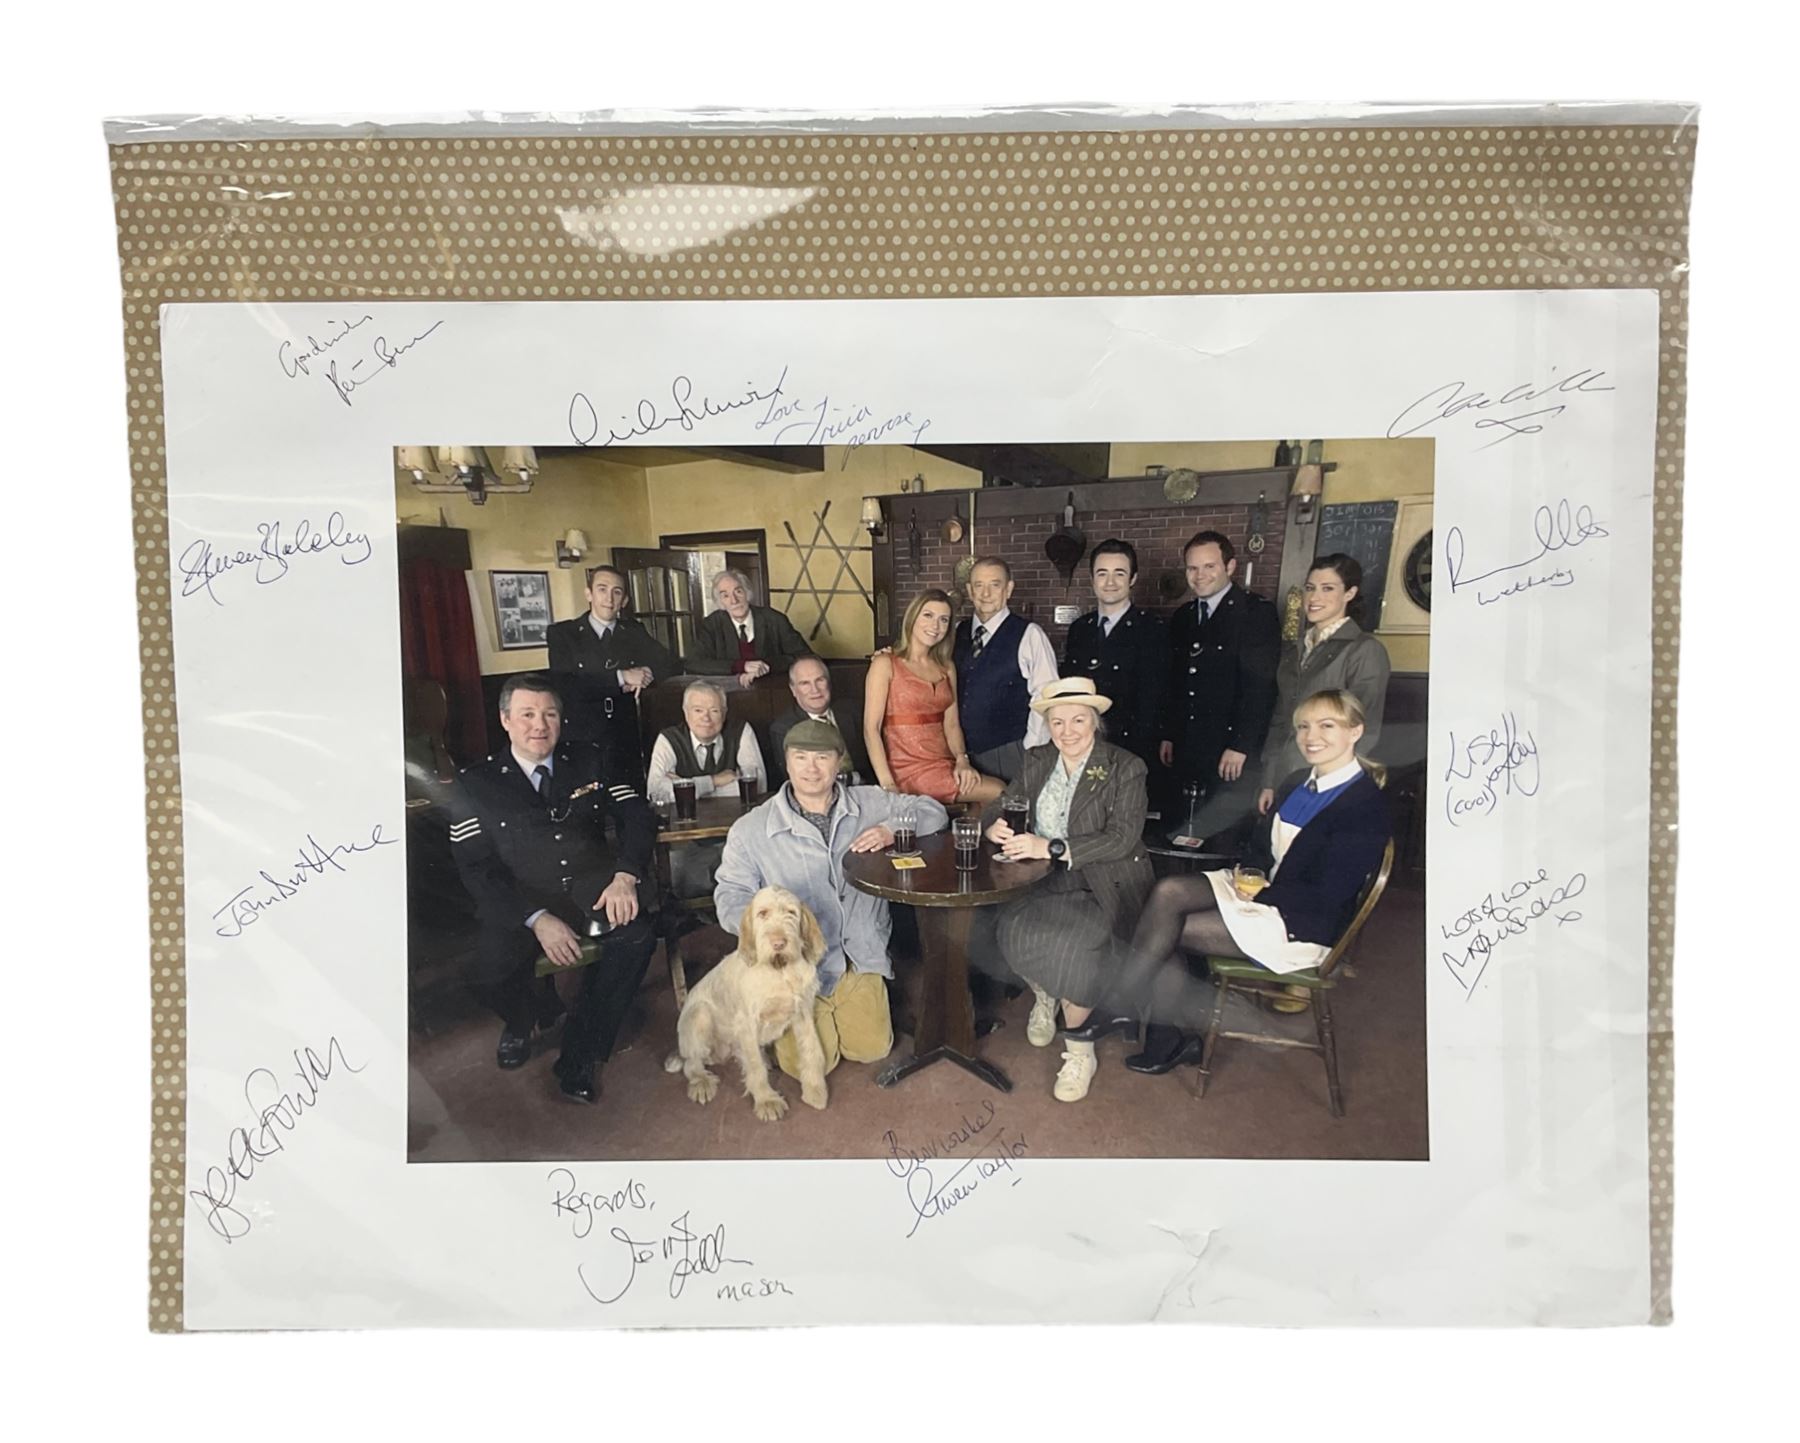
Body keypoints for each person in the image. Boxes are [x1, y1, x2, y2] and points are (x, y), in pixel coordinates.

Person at [1111, 689, 1393, 1074]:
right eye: (1304, 727)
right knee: (1168, 892)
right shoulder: (1297, 781)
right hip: (1266, 896)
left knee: (1169, 928)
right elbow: (1260, 847)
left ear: (1355, 731)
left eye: (1327, 726)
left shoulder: (1364, 805)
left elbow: (1330, 894)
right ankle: (1144, 1021)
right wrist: (1251, 876)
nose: (1312, 737)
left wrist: (1261, 896)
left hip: (1301, 924)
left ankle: (1147, 1026)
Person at [447, 674, 659, 1105]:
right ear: (505, 720)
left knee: (635, 936)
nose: (539, 725)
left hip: (590, 888)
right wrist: (536, 919)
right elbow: (476, 869)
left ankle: (580, 1054)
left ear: (561, 720)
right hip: (520, 900)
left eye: (549, 714)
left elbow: (637, 816)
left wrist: (625, 876)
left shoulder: (590, 760)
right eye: (526, 715)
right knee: (485, 965)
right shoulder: (475, 783)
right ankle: (525, 1017)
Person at [714, 719, 950, 1081]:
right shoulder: (750, 829)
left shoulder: (871, 801)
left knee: (872, 1048)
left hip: (859, 953)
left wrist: (892, 829)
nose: (811, 768)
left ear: (839, 763)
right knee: (811, 1065)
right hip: (792, 968)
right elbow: (729, 894)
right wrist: (764, 931)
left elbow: (933, 811)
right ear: (786, 762)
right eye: (801, 757)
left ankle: (844, 1004)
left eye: (822, 757)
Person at [983, 678, 1154, 1104]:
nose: (1067, 731)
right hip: (1040, 877)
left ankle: (1080, 1049)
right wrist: (994, 824)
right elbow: (1004, 801)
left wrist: (1054, 846)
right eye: (1057, 721)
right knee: (1004, 925)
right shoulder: (1038, 759)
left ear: (1095, 722)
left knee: (1077, 944)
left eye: (1078, 720)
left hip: (1102, 880)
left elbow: (1123, 837)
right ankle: (1046, 993)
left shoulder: (1124, 766)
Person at [1159, 530, 1281, 844]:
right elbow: (1176, 682)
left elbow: (1260, 686)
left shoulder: (1256, 613)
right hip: (1187, 746)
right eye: (1192, 568)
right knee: (1181, 828)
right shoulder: (1184, 617)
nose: (1199, 576)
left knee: (1220, 834)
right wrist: (1170, 734)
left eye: (1209, 566)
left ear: (1230, 567)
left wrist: (1241, 744)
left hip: (1228, 750)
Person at [1257, 554, 1391, 813]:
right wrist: (1269, 781)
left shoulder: (1364, 650)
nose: (1314, 598)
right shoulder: (1295, 650)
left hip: (1328, 785)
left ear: (1350, 593)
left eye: (1327, 588)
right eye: (1310, 588)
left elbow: (1365, 730)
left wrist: (1331, 786)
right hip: (1286, 778)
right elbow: (1280, 720)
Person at [864, 589, 1004, 804]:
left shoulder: (946, 667)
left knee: (990, 796)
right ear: (912, 617)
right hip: (906, 769)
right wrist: (888, 784)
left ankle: (965, 837)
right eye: (928, 615)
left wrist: (962, 760)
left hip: (944, 763)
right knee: (997, 791)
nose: (935, 626)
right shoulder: (885, 663)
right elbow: (870, 729)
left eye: (943, 619)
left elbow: (951, 724)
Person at [545, 564, 676, 784]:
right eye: (602, 589)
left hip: (625, 732)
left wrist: (645, 674)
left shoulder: (633, 631)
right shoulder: (563, 634)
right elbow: (565, 684)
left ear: (624, 600)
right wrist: (621, 677)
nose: (609, 598)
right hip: (582, 734)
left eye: (617, 592)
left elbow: (670, 663)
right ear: (589, 593)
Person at [646, 679, 768, 896]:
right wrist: (714, 781)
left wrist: (684, 786)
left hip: (737, 833)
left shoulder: (741, 730)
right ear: (685, 712)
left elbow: (756, 784)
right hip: (686, 839)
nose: (706, 718)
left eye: (714, 710)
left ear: (724, 712)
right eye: (698, 710)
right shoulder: (669, 738)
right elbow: (657, 792)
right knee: (682, 880)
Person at [1059, 538, 1170, 772]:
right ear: (1092, 579)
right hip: (1084, 748)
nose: (1110, 582)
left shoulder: (1152, 628)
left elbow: (1156, 697)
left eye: (1119, 573)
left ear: (1133, 579)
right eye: (1102, 573)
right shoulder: (1080, 628)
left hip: (1131, 750)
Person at [952, 557, 1060, 782]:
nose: (986, 593)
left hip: (1010, 752)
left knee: (1012, 815)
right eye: (979, 585)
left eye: (995, 585)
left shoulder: (1030, 634)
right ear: (970, 591)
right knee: (968, 818)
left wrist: (1030, 751)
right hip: (960, 755)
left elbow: (1046, 696)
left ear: (1008, 589)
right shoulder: (956, 632)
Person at [689, 569, 811, 683]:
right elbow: (694, 663)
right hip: (729, 693)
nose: (734, 600)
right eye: (725, 595)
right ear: (720, 602)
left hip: (773, 691)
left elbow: (804, 656)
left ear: (747, 593)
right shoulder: (711, 624)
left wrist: (766, 666)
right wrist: (742, 666)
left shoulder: (774, 619)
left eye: (738, 591)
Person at [770, 653, 869, 785]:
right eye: (805, 683)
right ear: (793, 689)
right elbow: (794, 782)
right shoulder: (783, 728)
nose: (815, 690)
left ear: (829, 682)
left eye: (820, 680)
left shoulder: (854, 711)